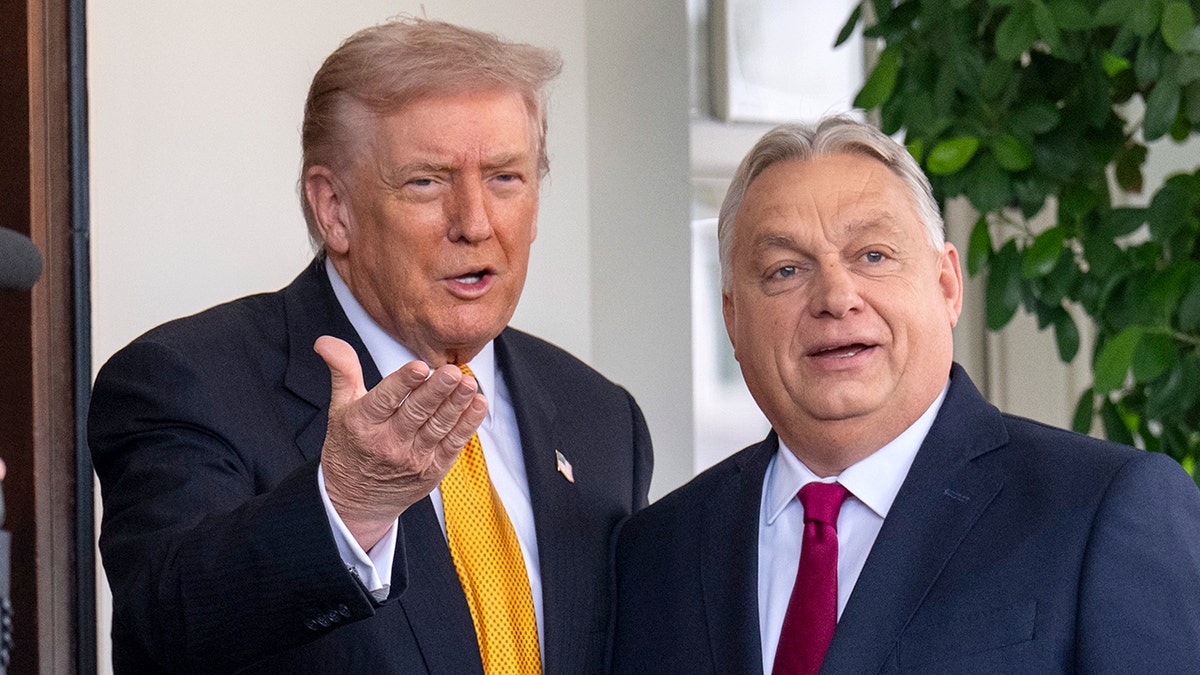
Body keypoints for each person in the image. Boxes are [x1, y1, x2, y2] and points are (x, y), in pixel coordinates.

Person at [90, 18, 652, 674]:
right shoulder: (186, 380)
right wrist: (345, 505)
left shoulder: (601, 416)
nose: (474, 222)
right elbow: (166, 625)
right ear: (334, 209)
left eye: (505, 178)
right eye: (427, 182)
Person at [610, 116, 1200, 674]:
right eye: (786, 270)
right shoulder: (655, 554)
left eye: (873, 255)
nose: (836, 297)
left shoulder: (1102, 508)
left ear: (946, 285)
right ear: (733, 320)